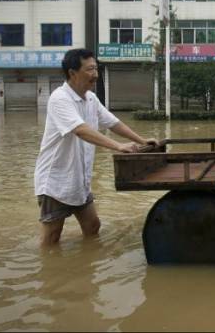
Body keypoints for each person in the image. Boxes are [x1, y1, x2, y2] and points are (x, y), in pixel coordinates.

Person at [34, 48, 158, 247]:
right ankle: (49, 275)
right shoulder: (60, 99)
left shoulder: (91, 99)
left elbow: (114, 123)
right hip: (55, 182)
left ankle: (88, 267)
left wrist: (142, 140)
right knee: (51, 238)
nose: (95, 75)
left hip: (78, 180)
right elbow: (81, 130)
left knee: (93, 226)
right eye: (90, 69)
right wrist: (118, 146)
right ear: (72, 73)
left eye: (96, 69)